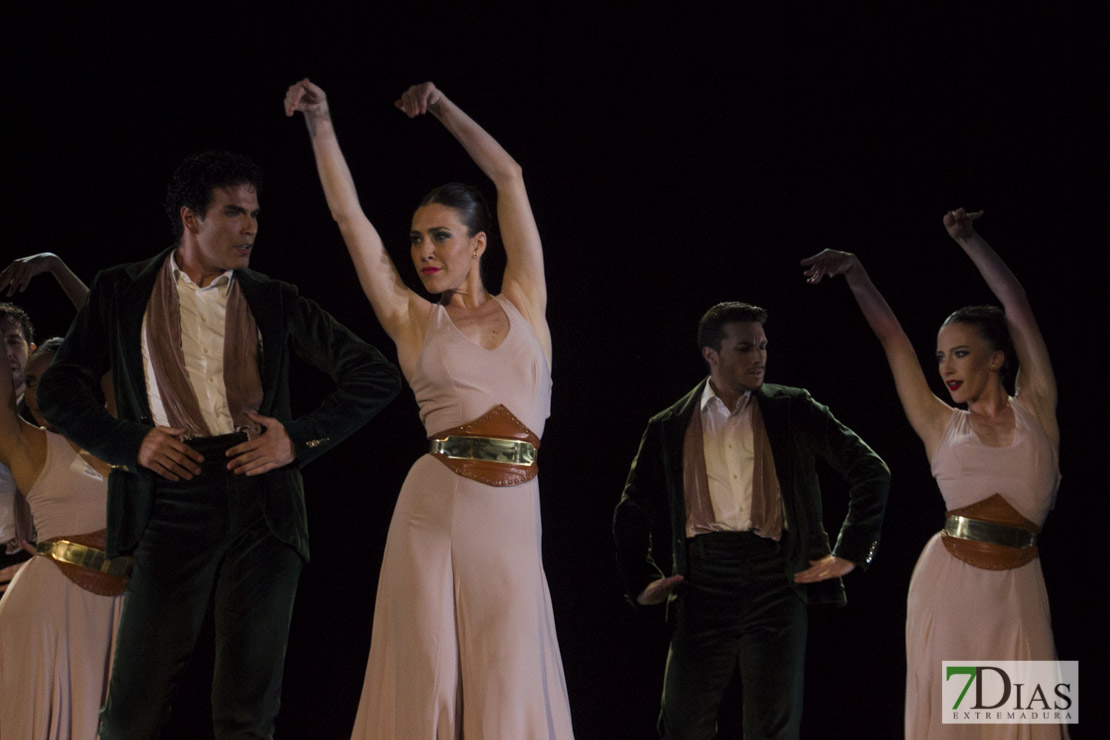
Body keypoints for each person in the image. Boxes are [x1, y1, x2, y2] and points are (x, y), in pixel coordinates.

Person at [37, 150, 402, 739]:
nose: (250, 227)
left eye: (255, 213)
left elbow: (375, 374)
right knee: (132, 710)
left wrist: (297, 439)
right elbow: (58, 389)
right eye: (233, 213)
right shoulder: (121, 289)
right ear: (191, 219)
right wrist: (133, 443)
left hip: (260, 498)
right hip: (169, 495)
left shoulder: (273, 297)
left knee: (246, 712)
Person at [285, 78, 574, 738]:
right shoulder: (413, 320)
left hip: (512, 513)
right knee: (431, 674)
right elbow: (348, 220)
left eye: (440, 237)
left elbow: (509, 176)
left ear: (479, 244)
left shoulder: (526, 302)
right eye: (415, 241)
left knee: (507, 671)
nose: (423, 253)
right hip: (434, 509)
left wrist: (442, 108)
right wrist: (322, 121)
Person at [801, 209, 1067, 738]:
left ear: (997, 359)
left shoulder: (1037, 406)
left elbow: (1018, 306)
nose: (946, 368)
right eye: (942, 356)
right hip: (951, 586)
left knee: (1029, 724)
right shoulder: (940, 425)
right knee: (955, 725)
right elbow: (891, 337)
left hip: (1021, 588)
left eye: (961, 354)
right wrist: (857, 273)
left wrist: (970, 241)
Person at [613, 301, 890, 740]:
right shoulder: (669, 424)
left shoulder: (793, 408)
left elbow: (871, 470)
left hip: (777, 578)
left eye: (763, 346)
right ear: (711, 355)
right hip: (702, 582)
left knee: (774, 728)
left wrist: (851, 552)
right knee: (682, 725)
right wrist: (642, 583)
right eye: (745, 348)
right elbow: (632, 510)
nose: (759, 357)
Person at [0, 338, 126, 739]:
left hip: (120, 608)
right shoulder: (31, 447)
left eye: (50, 378)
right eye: (31, 381)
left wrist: (56, 270)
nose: (38, 393)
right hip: (50, 606)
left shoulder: (124, 441)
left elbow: (116, 338)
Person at [0, 254, 89, 594]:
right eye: (0, 341)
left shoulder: (74, 428)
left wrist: (54, 265)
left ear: (31, 349)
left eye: (14, 341)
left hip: (54, 562)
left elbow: (107, 330)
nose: (7, 351)